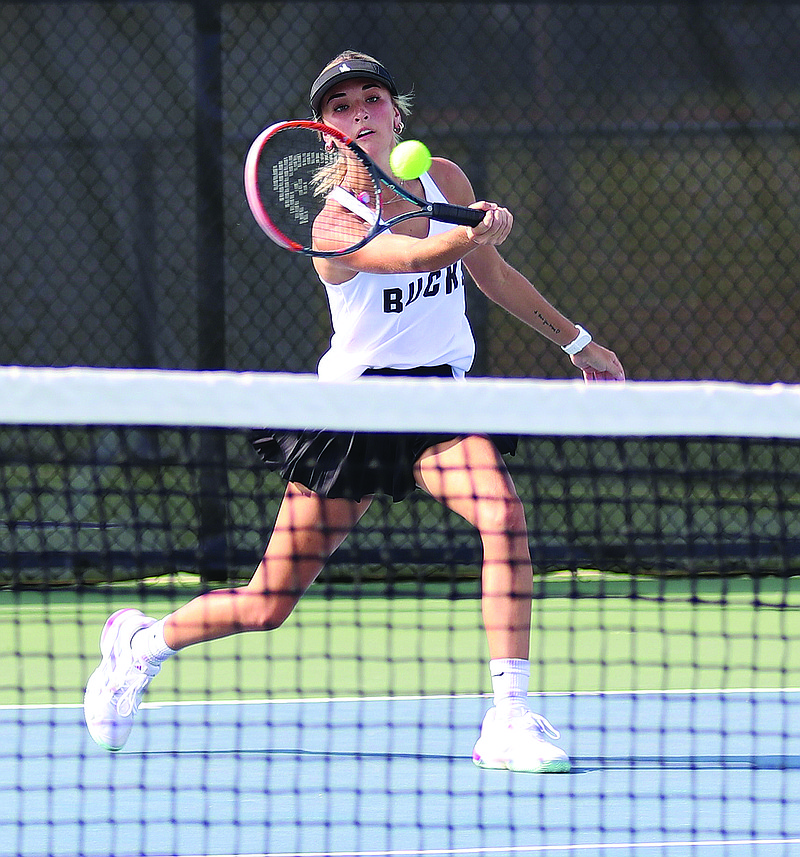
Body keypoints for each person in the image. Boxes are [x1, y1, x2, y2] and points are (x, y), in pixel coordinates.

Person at [84, 50, 624, 773]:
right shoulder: (330, 223)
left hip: (440, 402)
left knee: (502, 515)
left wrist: (578, 341)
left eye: (373, 98)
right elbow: (407, 258)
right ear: (324, 130)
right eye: (341, 106)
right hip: (353, 413)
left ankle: (508, 715)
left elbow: (489, 274)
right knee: (266, 602)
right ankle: (140, 646)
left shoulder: (446, 180)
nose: (361, 111)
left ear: (397, 114)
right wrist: (468, 234)